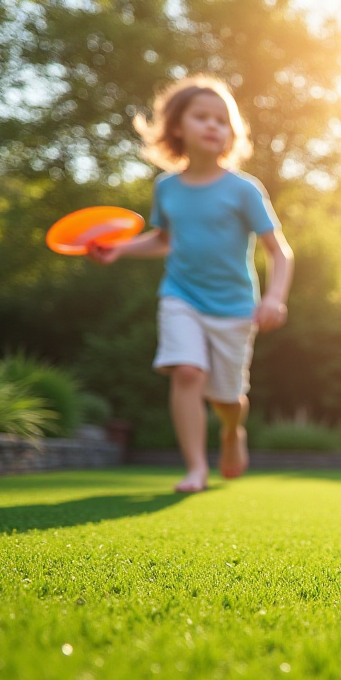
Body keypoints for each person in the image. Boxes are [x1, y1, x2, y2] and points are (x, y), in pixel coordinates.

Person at [90, 75, 293, 493]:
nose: (213, 126)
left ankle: (232, 432)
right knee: (185, 373)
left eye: (222, 120)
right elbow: (164, 242)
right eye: (202, 117)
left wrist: (275, 297)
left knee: (227, 399)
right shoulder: (166, 188)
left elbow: (280, 252)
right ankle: (196, 468)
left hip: (236, 307)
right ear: (178, 127)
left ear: (231, 134)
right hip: (180, 296)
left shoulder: (244, 190)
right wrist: (120, 249)